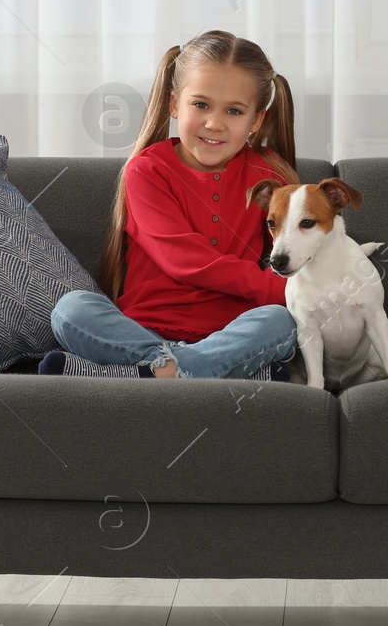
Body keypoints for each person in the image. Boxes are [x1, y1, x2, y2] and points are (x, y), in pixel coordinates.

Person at [39, 30, 301, 381]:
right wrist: (286, 291)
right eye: (201, 104)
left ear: (255, 121)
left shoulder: (268, 175)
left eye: (234, 111)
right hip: (144, 330)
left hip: (229, 332)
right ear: (174, 103)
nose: (214, 123)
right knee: (71, 311)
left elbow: (293, 253)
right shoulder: (147, 170)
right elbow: (184, 260)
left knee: (280, 323)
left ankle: (154, 374)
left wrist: (302, 290)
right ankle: (196, 369)